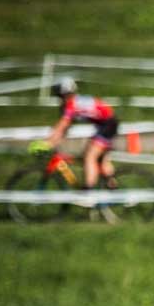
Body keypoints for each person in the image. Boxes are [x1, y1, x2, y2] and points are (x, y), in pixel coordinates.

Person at [41, 76, 120, 215]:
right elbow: (64, 130)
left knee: (90, 156)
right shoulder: (70, 104)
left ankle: (88, 194)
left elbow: (62, 125)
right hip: (104, 125)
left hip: (108, 124)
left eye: (60, 95)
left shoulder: (72, 104)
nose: (60, 98)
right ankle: (114, 190)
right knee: (99, 159)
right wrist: (53, 142)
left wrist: (46, 142)